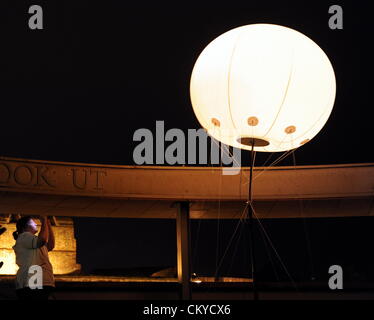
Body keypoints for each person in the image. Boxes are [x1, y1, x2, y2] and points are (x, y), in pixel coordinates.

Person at [12, 216, 55, 300]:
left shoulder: (33, 241)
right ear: (25, 227)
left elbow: (50, 245)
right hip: (32, 281)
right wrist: (43, 222)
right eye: (32, 223)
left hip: (37, 281)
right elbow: (42, 240)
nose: (35, 224)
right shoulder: (24, 236)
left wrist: (47, 224)